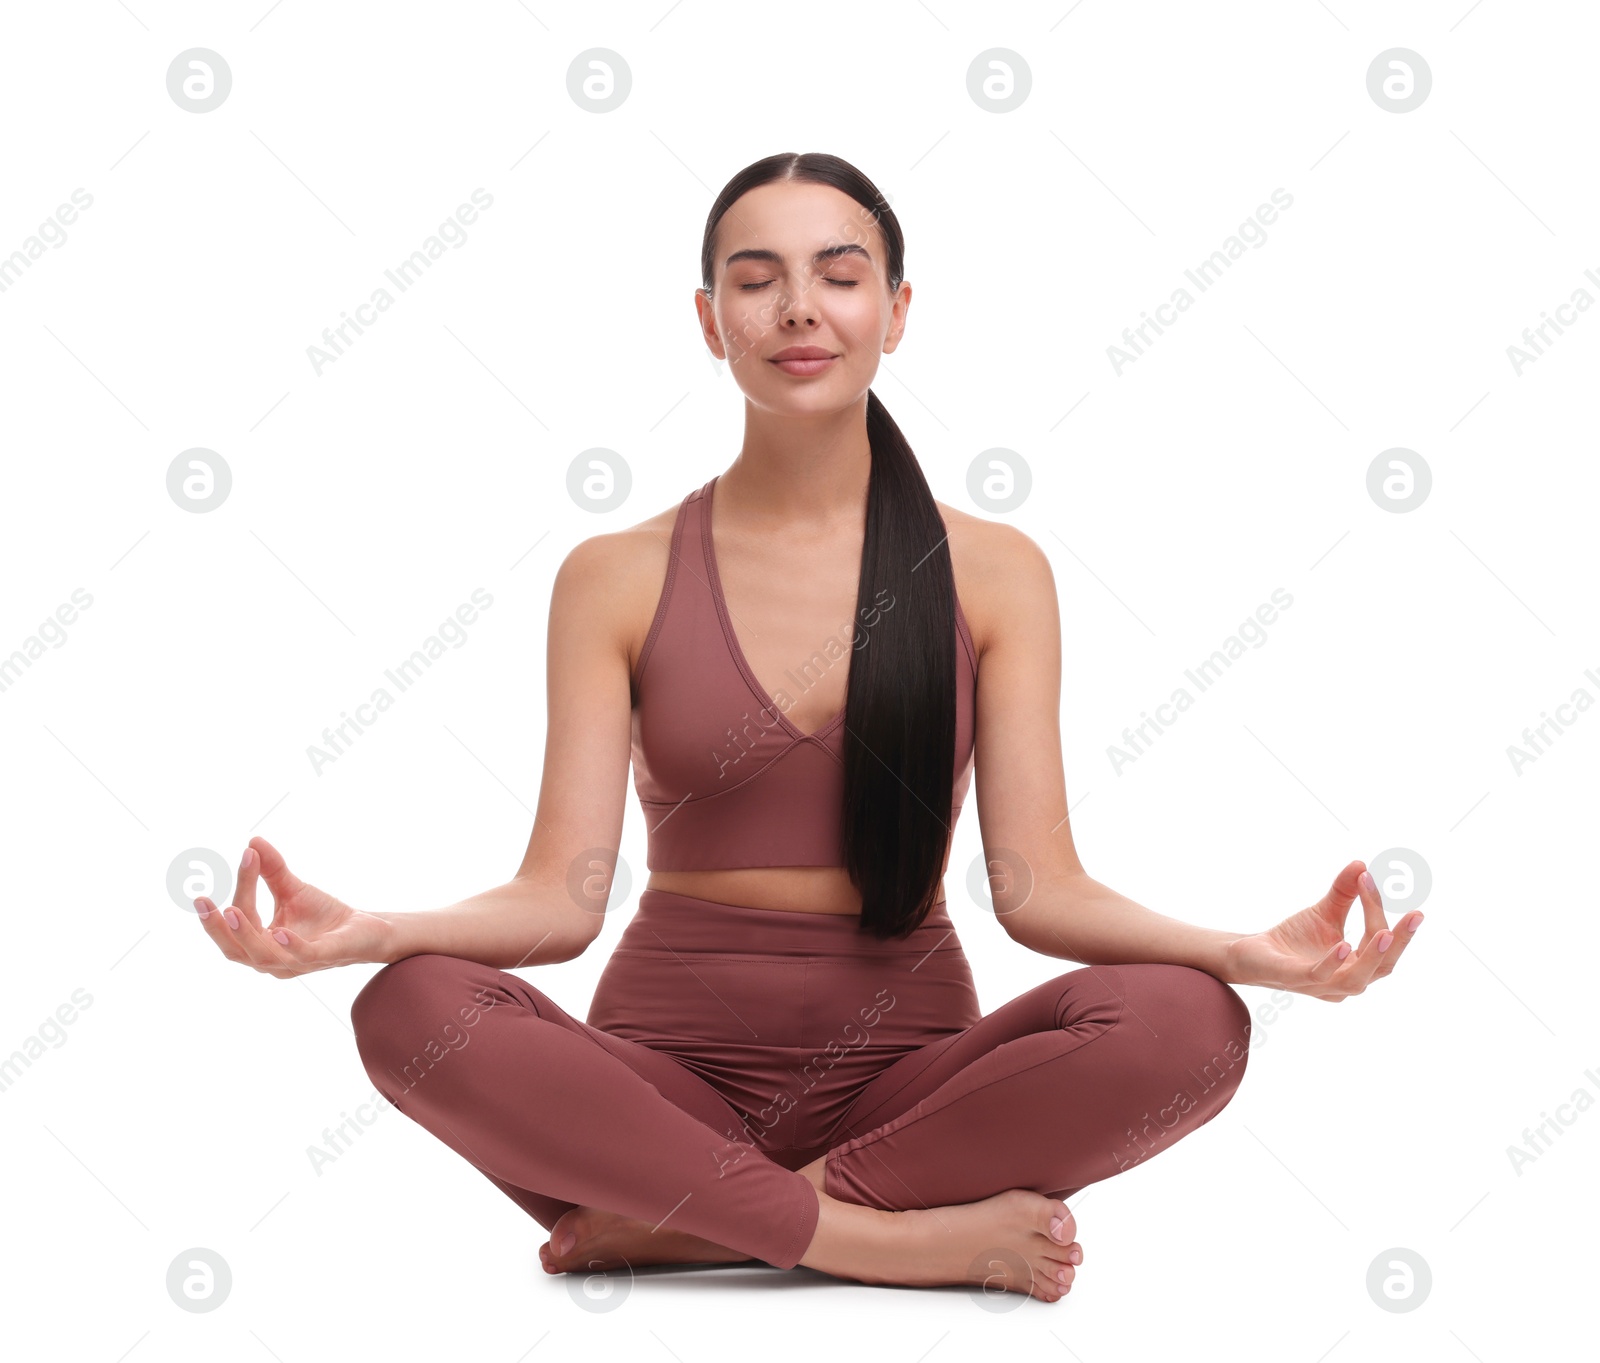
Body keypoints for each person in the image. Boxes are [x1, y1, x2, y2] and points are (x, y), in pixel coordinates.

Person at [194, 152, 1424, 1304]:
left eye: (839, 276)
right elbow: (559, 900)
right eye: (757, 278)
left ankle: (689, 1227)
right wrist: (373, 932)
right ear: (706, 319)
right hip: (658, 1097)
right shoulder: (613, 574)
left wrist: (1244, 954)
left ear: (895, 311)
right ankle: (885, 1245)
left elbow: (1040, 887)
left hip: (908, 1102)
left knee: (1192, 1025)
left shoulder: (993, 571)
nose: (799, 308)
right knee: (409, 1009)